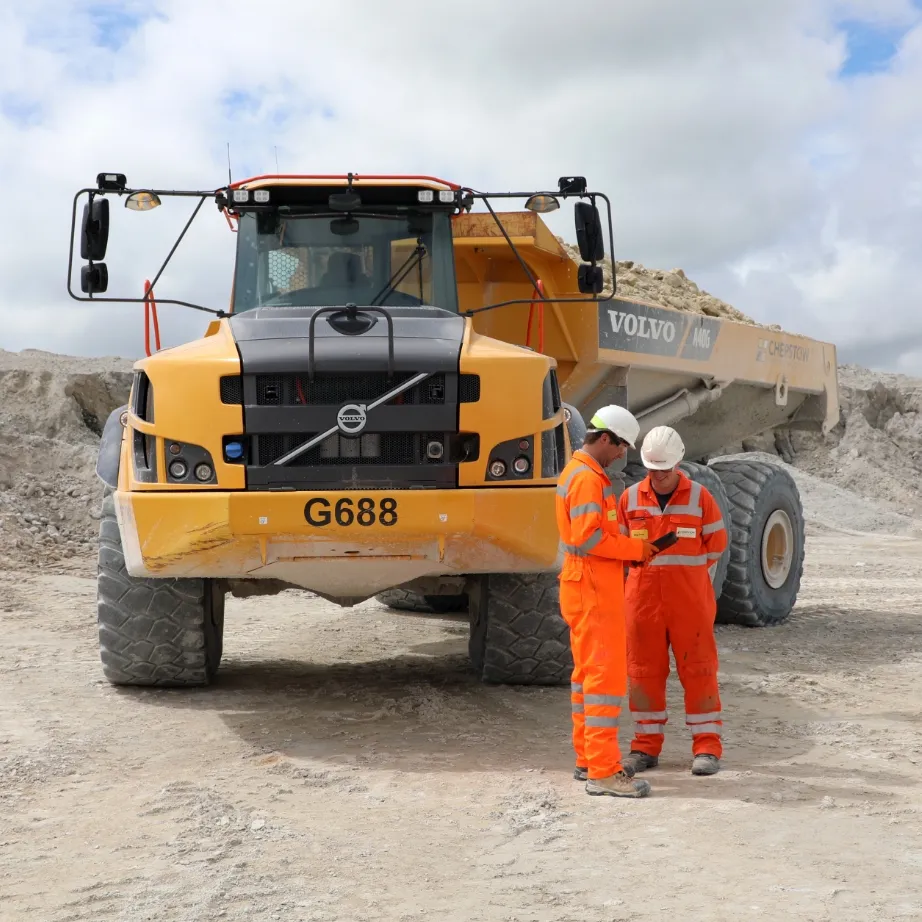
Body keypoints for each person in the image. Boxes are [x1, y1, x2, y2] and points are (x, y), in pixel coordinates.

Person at [555, 404, 660, 798]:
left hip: (585, 587)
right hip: (594, 590)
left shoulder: (582, 474)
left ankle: (588, 759)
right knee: (604, 681)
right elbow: (589, 539)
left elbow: (592, 535)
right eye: (620, 446)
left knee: (586, 680)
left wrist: (633, 546)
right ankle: (603, 772)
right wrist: (635, 551)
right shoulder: (587, 480)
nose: (622, 454)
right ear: (604, 438)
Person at [616, 425, 728, 776]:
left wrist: (686, 576)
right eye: (653, 469)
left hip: (689, 604)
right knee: (642, 674)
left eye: (665, 469)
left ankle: (707, 747)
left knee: (699, 671)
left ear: (678, 463)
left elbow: (717, 545)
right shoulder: (630, 499)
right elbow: (619, 548)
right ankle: (645, 748)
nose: (659, 476)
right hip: (642, 603)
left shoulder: (700, 498)